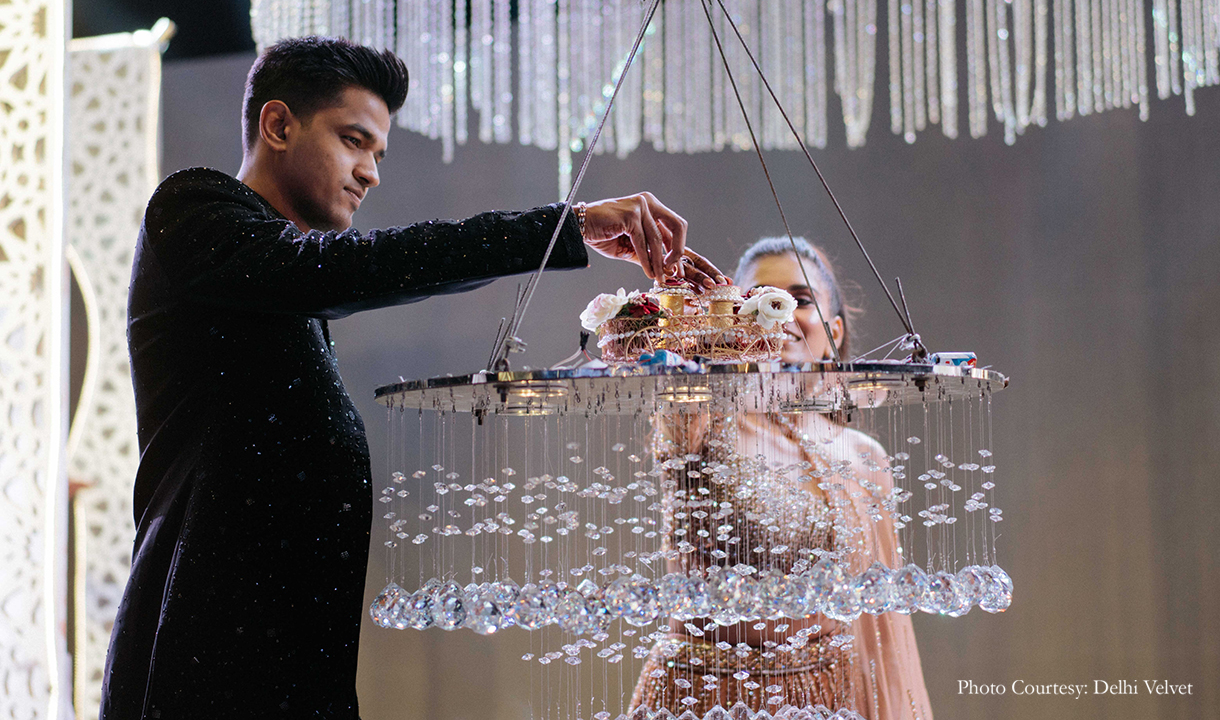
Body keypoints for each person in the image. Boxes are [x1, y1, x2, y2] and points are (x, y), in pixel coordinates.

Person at [100, 36, 724, 720]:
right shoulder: (192, 209)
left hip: (288, 667)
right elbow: (352, 266)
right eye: (354, 140)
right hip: (201, 661)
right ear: (278, 125)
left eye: (379, 153)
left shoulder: (277, 287)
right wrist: (563, 226)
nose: (371, 172)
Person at [630, 236, 933, 720]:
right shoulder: (701, 423)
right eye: (758, 301)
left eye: (802, 300)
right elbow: (674, 377)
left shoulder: (863, 458)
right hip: (705, 702)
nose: (780, 316)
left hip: (829, 700)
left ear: (833, 331)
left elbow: (883, 631)